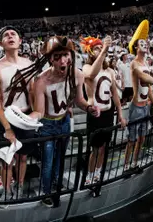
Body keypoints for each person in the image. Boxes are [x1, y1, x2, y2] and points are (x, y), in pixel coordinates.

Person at [8, 36, 100, 207]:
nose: (63, 61)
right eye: (57, 57)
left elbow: (80, 100)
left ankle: (56, 186)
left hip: (64, 121)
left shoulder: (77, 74)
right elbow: (40, 111)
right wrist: (24, 119)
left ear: (71, 55)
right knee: (48, 161)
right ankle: (46, 192)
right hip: (48, 125)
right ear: (50, 59)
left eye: (66, 55)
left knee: (60, 158)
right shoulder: (41, 81)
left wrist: (88, 107)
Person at [0, 26, 34, 202]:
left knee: (23, 158)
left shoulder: (29, 64)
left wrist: (34, 116)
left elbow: (34, 93)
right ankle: (7, 191)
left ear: (20, 41)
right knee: (7, 160)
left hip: (25, 116)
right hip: (6, 117)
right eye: (5, 35)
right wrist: (7, 128)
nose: (10, 36)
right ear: (1, 43)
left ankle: (20, 187)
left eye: (13, 34)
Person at [81, 36, 127, 185]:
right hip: (95, 114)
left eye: (101, 48)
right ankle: (89, 175)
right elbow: (91, 75)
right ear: (90, 52)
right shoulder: (86, 67)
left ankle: (98, 172)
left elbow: (115, 94)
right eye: (96, 48)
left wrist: (120, 115)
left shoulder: (110, 71)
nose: (100, 50)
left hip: (108, 113)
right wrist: (103, 51)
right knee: (94, 149)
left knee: (103, 148)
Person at [124, 20, 153, 171]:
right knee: (131, 139)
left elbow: (147, 87)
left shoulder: (146, 63)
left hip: (145, 107)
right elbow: (143, 78)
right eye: (142, 43)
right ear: (136, 47)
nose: (145, 45)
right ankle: (126, 165)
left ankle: (135, 163)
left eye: (145, 43)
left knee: (141, 139)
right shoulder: (134, 63)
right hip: (135, 108)